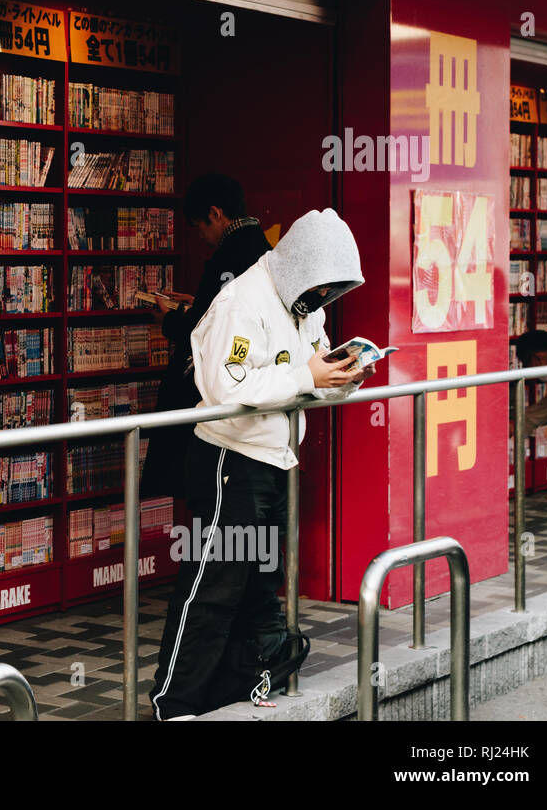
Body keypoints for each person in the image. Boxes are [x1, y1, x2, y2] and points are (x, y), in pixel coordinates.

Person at [149, 208, 375, 720]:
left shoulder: (302, 306)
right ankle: (175, 702)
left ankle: (232, 687)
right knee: (213, 583)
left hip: (272, 458)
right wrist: (305, 375)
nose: (323, 300)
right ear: (299, 267)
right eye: (321, 288)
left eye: (331, 291)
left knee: (259, 582)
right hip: (230, 458)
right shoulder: (242, 303)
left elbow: (305, 373)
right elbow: (227, 387)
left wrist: (337, 376)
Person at [142, 173, 272, 493]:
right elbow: (224, 308)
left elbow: (206, 330)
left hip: (214, 390)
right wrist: (197, 303)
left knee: (199, 483)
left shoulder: (229, 254)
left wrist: (168, 321)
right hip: (252, 385)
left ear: (215, 213)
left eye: (200, 225)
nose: (200, 235)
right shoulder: (262, 248)